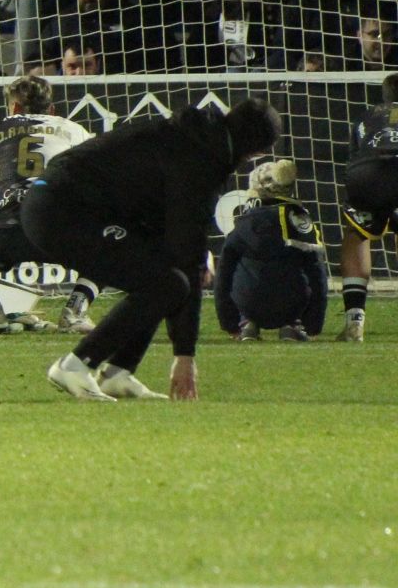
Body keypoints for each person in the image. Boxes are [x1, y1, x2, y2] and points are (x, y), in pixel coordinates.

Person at [22, 97, 283, 402]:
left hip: (58, 202)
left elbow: (177, 246)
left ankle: (118, 372)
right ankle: (76, 365)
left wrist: (197, 257)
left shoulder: (192, 138)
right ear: (253, 150)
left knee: (166, 278)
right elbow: (185, 260)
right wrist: (185, 355)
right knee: (167, 283)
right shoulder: (199, 161)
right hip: (61, 211)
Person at [0, 74, 101, 334]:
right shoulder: (78, 132)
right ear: (52, 109)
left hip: (5, 231)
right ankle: (75, 312)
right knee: (113, 233)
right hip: (59, 231)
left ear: (15, 108)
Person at [214, 159, 328, 342]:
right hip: (291, 304)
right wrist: (314, 325)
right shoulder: (299, 221)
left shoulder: (242, 225)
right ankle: (292, 325)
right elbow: (318, 277)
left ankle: (247, 324)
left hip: (249, 303)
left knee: (238, 269)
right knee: (302, 270)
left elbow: (222, 279)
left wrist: (229, 324)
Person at [337, 71, 398, 341]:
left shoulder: (366, 116)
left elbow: (354, 155)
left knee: (357, 234)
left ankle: (355, 321)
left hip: (367, 172)